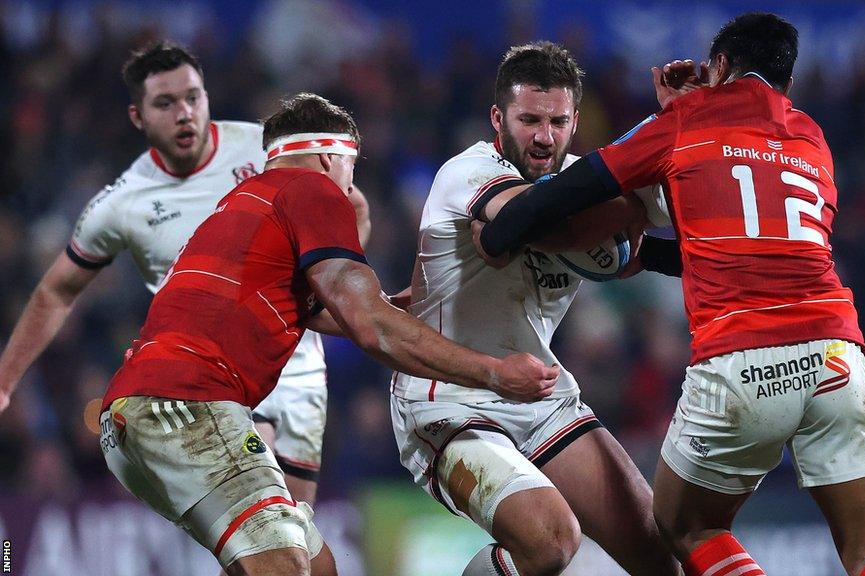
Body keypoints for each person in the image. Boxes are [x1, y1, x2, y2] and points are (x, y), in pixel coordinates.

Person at [474, 14, 865, 576]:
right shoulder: (811, 136)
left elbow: (575, 187)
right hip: (836, 354)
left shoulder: (685, 121)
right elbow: (735, 235)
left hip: (743, 358)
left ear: (721, 66)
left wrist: (500, 232)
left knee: (685, 524)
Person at [98, 91, 559, 575]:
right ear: (329, 156)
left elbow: (314, 307)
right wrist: (492, 373)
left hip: (133, 416)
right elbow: (370, 327)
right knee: (287, 565)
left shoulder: (242, 202)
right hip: (188, 405)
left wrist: (390, 307)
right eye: (350, 171)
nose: (349, 186)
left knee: (317, 567)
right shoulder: (312, 189)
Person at [0, 41, 363, 507]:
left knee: (297, 540)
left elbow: (351, 205)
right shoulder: (122, 203)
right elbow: (56, 292)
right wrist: (6, 381)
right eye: (165, 103)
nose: (185, 113)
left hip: (301, 368)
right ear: (138, 117)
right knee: (264, 519)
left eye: (193, 97)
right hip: (215, 379)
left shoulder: (263, 149)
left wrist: (340, 284)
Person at [390, 42, 678, 576]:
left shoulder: (582, 179)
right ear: (499, 117)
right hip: (446, 399)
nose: (544, 137)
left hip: (537, 392)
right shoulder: (469, 171)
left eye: (558, 121)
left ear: (575, 121)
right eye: (529, 120)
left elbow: (633, 251)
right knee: (549, 541)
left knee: (661, 557)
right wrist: (627, 207)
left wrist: (682, 120)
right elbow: (518, 228)